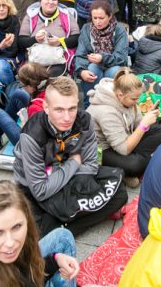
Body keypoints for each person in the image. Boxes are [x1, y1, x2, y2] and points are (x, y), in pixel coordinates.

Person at [13, 76, 128, 237]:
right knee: (38, 232)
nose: (67, 118)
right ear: (46, 107)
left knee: (121, 195)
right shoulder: (32, 135)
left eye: (72, 108)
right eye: (59, 109)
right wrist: (74, 162)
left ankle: (65, 226)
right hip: (35, 185)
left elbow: (91, 165)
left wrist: (76, 186)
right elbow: (40, 190)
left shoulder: (84, 120)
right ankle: (68, 223)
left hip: (66, 176)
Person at [87, 68, 161, 188]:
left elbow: (137, 124)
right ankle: (126, 168)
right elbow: (124, 149)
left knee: (158, 131)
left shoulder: (129, 99)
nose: (137, 101)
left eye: (139, 97)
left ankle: (128, 167)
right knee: (135, 165)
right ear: (119, 95)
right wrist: (144, 124)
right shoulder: (106, 112)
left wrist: (147, 118)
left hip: (122, 140)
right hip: (101, 151)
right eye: (134, 99)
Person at [74, 0, 129, 107]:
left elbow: (121, 57)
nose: (98, 21)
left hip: (115, 64)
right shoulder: (86, 29)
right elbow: (80, 54)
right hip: (94, 65)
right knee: (91, 70)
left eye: (101, 18)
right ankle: (89, 106)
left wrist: (102, 58)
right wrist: (81, 71)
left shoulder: (119, 30)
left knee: (114, 72)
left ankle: (112, 106)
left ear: (109, 16)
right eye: (95, 18)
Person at [19, 0, 80, 77]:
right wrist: (35, 39)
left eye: (54, 0)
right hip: (35, 58)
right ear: (40, 1)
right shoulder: (30, 16)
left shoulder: (66, 15)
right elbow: (21, 41)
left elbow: (76, 38)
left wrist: (60, 41)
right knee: (32, 74)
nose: (50, 2)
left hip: (58, 59)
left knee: (51, 75)